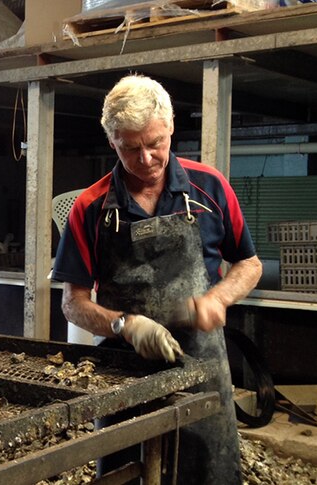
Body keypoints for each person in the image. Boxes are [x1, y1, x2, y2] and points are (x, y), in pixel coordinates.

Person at [52, 74, 262, 484]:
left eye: (156, 144)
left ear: (170, 130)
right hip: (125, 370)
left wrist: (218, 299)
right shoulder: (91, 207)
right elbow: (72, 302)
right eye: (131, 148)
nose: (146, 159)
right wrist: (123, 324)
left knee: (206, 471)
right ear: (112, 142)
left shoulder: (209, 189)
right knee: (125, 471)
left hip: (200, 364)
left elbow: (249, 264)